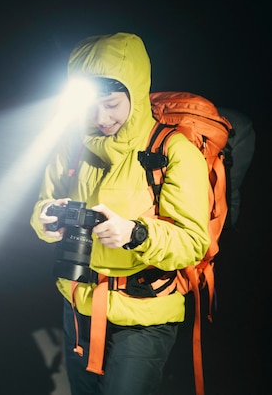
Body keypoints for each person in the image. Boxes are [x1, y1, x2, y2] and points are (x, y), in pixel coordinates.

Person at [29, 32, 210, 395]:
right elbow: (42, 207)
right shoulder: (72, 148)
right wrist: (47, 217)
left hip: (145, 315)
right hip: (78, 303)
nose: (100, 117)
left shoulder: (172, 150)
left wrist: (136, 234)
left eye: (111, 104)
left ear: (136, 91)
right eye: (90, 106)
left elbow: (193, 242)